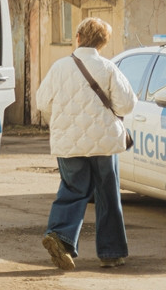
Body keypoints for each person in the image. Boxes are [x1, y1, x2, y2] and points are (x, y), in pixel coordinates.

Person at [36, 17, 137, 271]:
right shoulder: (108, 68)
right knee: (107, 194)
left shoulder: (59, 67)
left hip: (68, 143)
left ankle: (60, 236)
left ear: (78, 37)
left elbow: (41, 102)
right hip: (104, 143)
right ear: (102, 43)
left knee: (72, 189)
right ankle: (111, 253)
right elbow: (127, 105)